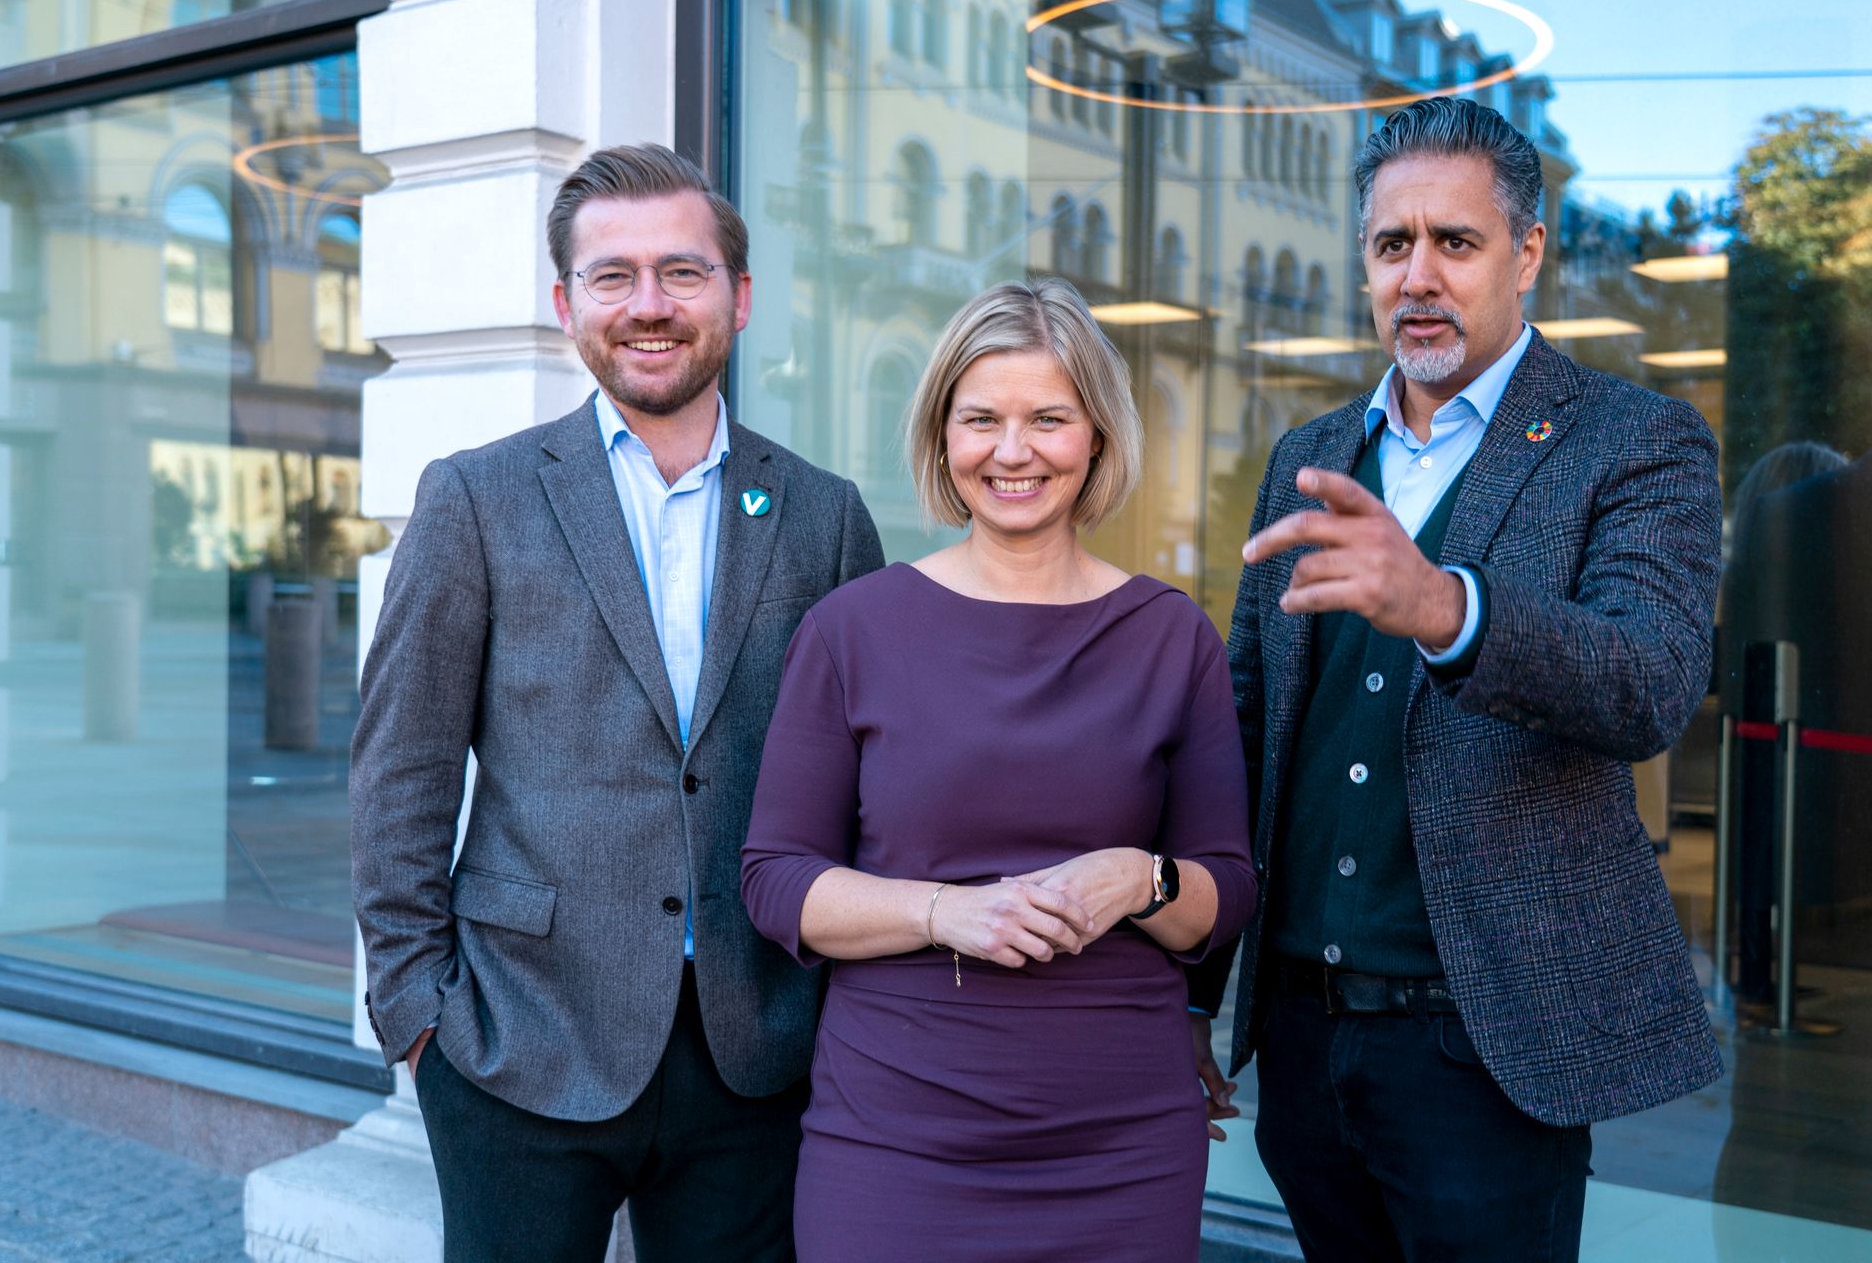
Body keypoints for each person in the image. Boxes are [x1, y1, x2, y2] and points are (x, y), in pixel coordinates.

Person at [1188, 97, 1725, 1263]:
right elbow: (1248, 729)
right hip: (1299, 1030)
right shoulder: (1311, 455)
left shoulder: (1632, 441)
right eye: (1392, 246)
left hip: (1483, 1049)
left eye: (1455, 242)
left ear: (1525, 254)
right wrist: (1194, 993)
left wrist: (1442, 606)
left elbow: (1648, 680)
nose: (1417, 277)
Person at [351, 143, 883, 1263]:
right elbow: (402, 763)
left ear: (738, 299)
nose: (649, 306)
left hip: (758, 1049)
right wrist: (416, 1016)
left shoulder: (825, 517)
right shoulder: (475, 497)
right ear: (565, 305)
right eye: (612, 277)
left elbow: (866, 785)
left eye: (682, 273)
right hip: (516, 1039)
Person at [741, 277, 1257, 1263]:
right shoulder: (853, 630)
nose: (1012, 451)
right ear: (941, 438)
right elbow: (774, 880)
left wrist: (1135, 878)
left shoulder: (1170, 637)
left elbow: (1221, 896)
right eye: (980, 419)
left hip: (1122, 1141)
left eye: (1048, 419)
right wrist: (943, 911)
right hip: (893, 1136)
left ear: (1096, 438)